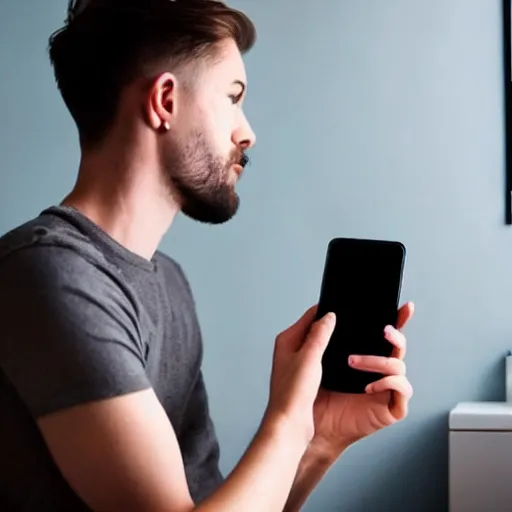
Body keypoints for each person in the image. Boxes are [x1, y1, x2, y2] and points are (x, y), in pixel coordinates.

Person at [0, 0, 414, 511]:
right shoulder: (49, 276)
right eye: (232, 97)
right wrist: (286, 420)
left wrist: (318, 436)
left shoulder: (167, 281)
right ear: (165, 101)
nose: (248, 132)